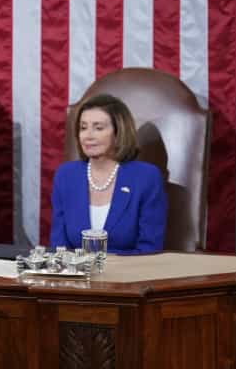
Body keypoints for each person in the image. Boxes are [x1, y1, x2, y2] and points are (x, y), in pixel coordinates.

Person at [49, 94, 167, 254]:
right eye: (83, 127)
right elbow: (59, 248)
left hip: (130, 275)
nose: (88, 136)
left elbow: (149, 249)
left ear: (118, 132)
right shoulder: (66, 175)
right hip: (76, 276)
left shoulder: (146, 177)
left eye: (98, 128)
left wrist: (100, 264)